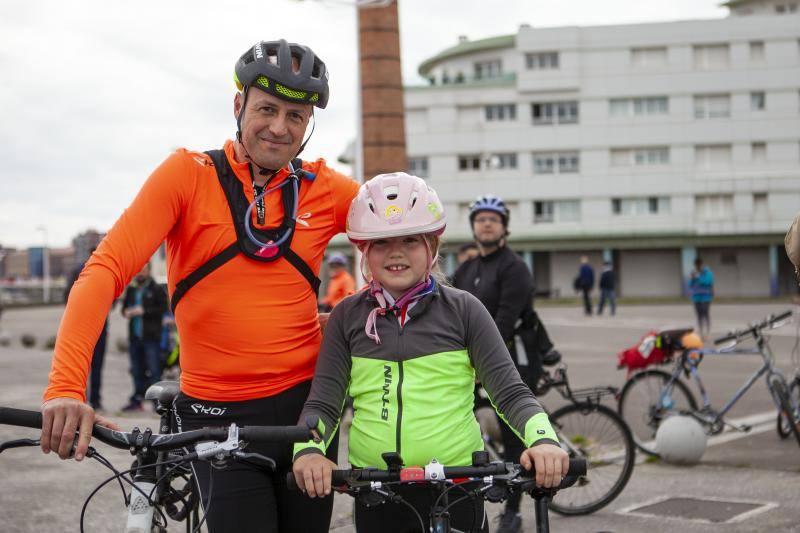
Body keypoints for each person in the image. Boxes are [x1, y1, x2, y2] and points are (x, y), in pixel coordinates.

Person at [40, 39, 359, 532]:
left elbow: (407, 232)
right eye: (268, 109)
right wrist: (65, 387)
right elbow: (104, 271)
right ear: (239, 106)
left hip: (308, 411)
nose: (279, 127)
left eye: (296, 117)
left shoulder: (326, 189)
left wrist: (357, 316)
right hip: (217, 411)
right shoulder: (188, 176)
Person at [291, 174, 568, 533]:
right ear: (365, 250)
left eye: (410, 240)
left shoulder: (465, 309)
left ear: (431, 246)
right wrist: (307, 451)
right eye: (381, 241)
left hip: (458, 487)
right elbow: (324, 404)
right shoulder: (347, 315)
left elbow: (511, 393)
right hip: (377, 489)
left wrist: (544, 440)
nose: (396, 252)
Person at [451, 194, 557, 533]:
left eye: (493, 219)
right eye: (480, 219)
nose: (486, 224)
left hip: (514, 357)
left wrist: (479, 366)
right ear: (473, 226)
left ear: (504, 228)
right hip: (474, 362)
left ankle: (512, 510)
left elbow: (504, 321)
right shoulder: (468, 268)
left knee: (513, 432)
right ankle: (481, 479)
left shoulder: (514, 267)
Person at [64, 247, 108, 411]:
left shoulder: (81, 270)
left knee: (90, 365)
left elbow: (67, 296)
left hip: (88, 324)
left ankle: (91, 399)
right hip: (91, 324)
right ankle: (92, 400)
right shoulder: (101, 271)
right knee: (89, 365)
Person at [120, 262, 168, 411]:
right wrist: (126, 312)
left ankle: (156, 402)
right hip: (135, 337)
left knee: (154, 370)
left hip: (151, 337)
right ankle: (137, 400)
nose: (140, 273)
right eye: (138, 270)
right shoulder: (132, 289)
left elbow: (163, 308)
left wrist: (144, 311)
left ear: (149, 271)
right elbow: (124, 309)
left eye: (143, 270)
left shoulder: (157, 288)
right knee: (136, 370)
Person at [689, 258, 714, 338]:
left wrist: (698, 277)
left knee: (705, 313)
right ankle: (701, 331)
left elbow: (708, 282)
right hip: (696, 296)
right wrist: (692, 279)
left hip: (706, 296)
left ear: (701, 264)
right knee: (698, 314)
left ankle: (708, 331)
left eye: (699, 265)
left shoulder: (707, 272)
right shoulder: (693, 272)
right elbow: (690, 284)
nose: (698, 267)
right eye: (696, 265)